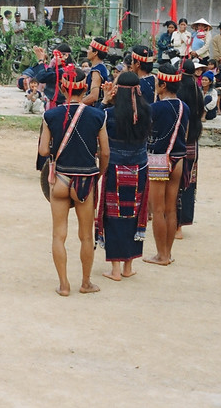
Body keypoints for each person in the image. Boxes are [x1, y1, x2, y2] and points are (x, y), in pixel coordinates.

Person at [38, 67, 109, 296]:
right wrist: (99, 173)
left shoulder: (50, 116)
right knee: (86, 236)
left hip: (60, 179)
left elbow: (43, 151)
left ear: (61, 88)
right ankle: (86, 283)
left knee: (58, 235)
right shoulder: (98, 116)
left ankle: (64, 285)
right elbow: (105, 152)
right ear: (85, 88)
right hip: (85, 181)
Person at [96, 72, 152, 281]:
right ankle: (128, 266)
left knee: (113, 216)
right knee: (134, 215)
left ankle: (115, 269)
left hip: (115, 169)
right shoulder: (147, 111)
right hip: (139, 169)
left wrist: (104, 100)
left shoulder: (109, 114)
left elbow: (94, 121)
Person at [144, 63, 189, 266]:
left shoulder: (154, 108)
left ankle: (160, 255)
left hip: (158, 158)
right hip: (178, 158)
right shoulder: (184, 107)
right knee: (171, 209)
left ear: (162, 85)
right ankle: (167, 254)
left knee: (158, 209)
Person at [175, 58, 204, 239]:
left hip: (178, 141)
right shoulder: (197, 90)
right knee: (188, 182)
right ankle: (181, 223)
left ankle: (174, 223)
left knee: (174, 183)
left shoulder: (178, 90)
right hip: (192, 141)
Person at [82, 38, 110, 106]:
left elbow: (94, 96)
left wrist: (77, 104)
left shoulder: (97, 71)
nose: (87, 51)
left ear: (95, 53)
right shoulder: (99, 68)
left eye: (89, 49)